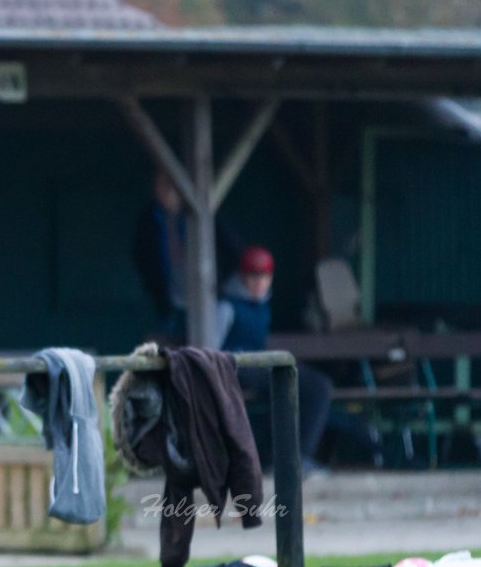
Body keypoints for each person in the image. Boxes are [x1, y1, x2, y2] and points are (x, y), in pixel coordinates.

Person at [216, 246, 334, 473]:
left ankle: (299, 457)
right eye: (253, 276)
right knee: (283, 383)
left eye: (265, 276)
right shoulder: (226, 306)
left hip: (261, 369)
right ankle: (277, 459)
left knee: (318, 386)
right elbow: (211, 350)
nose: (259, 282)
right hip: (234, 370)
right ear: (242, 277)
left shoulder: (263, 305)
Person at [132, 169, 243, 344]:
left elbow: (232, 250)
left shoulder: (204, 215)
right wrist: (157, 291)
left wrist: (218, 284)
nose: (165, 191)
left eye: (170, 185)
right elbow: (142, 259)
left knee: (206, 351)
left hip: (204, 301)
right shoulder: (149, 220)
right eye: (160, 185)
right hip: (169, 303)